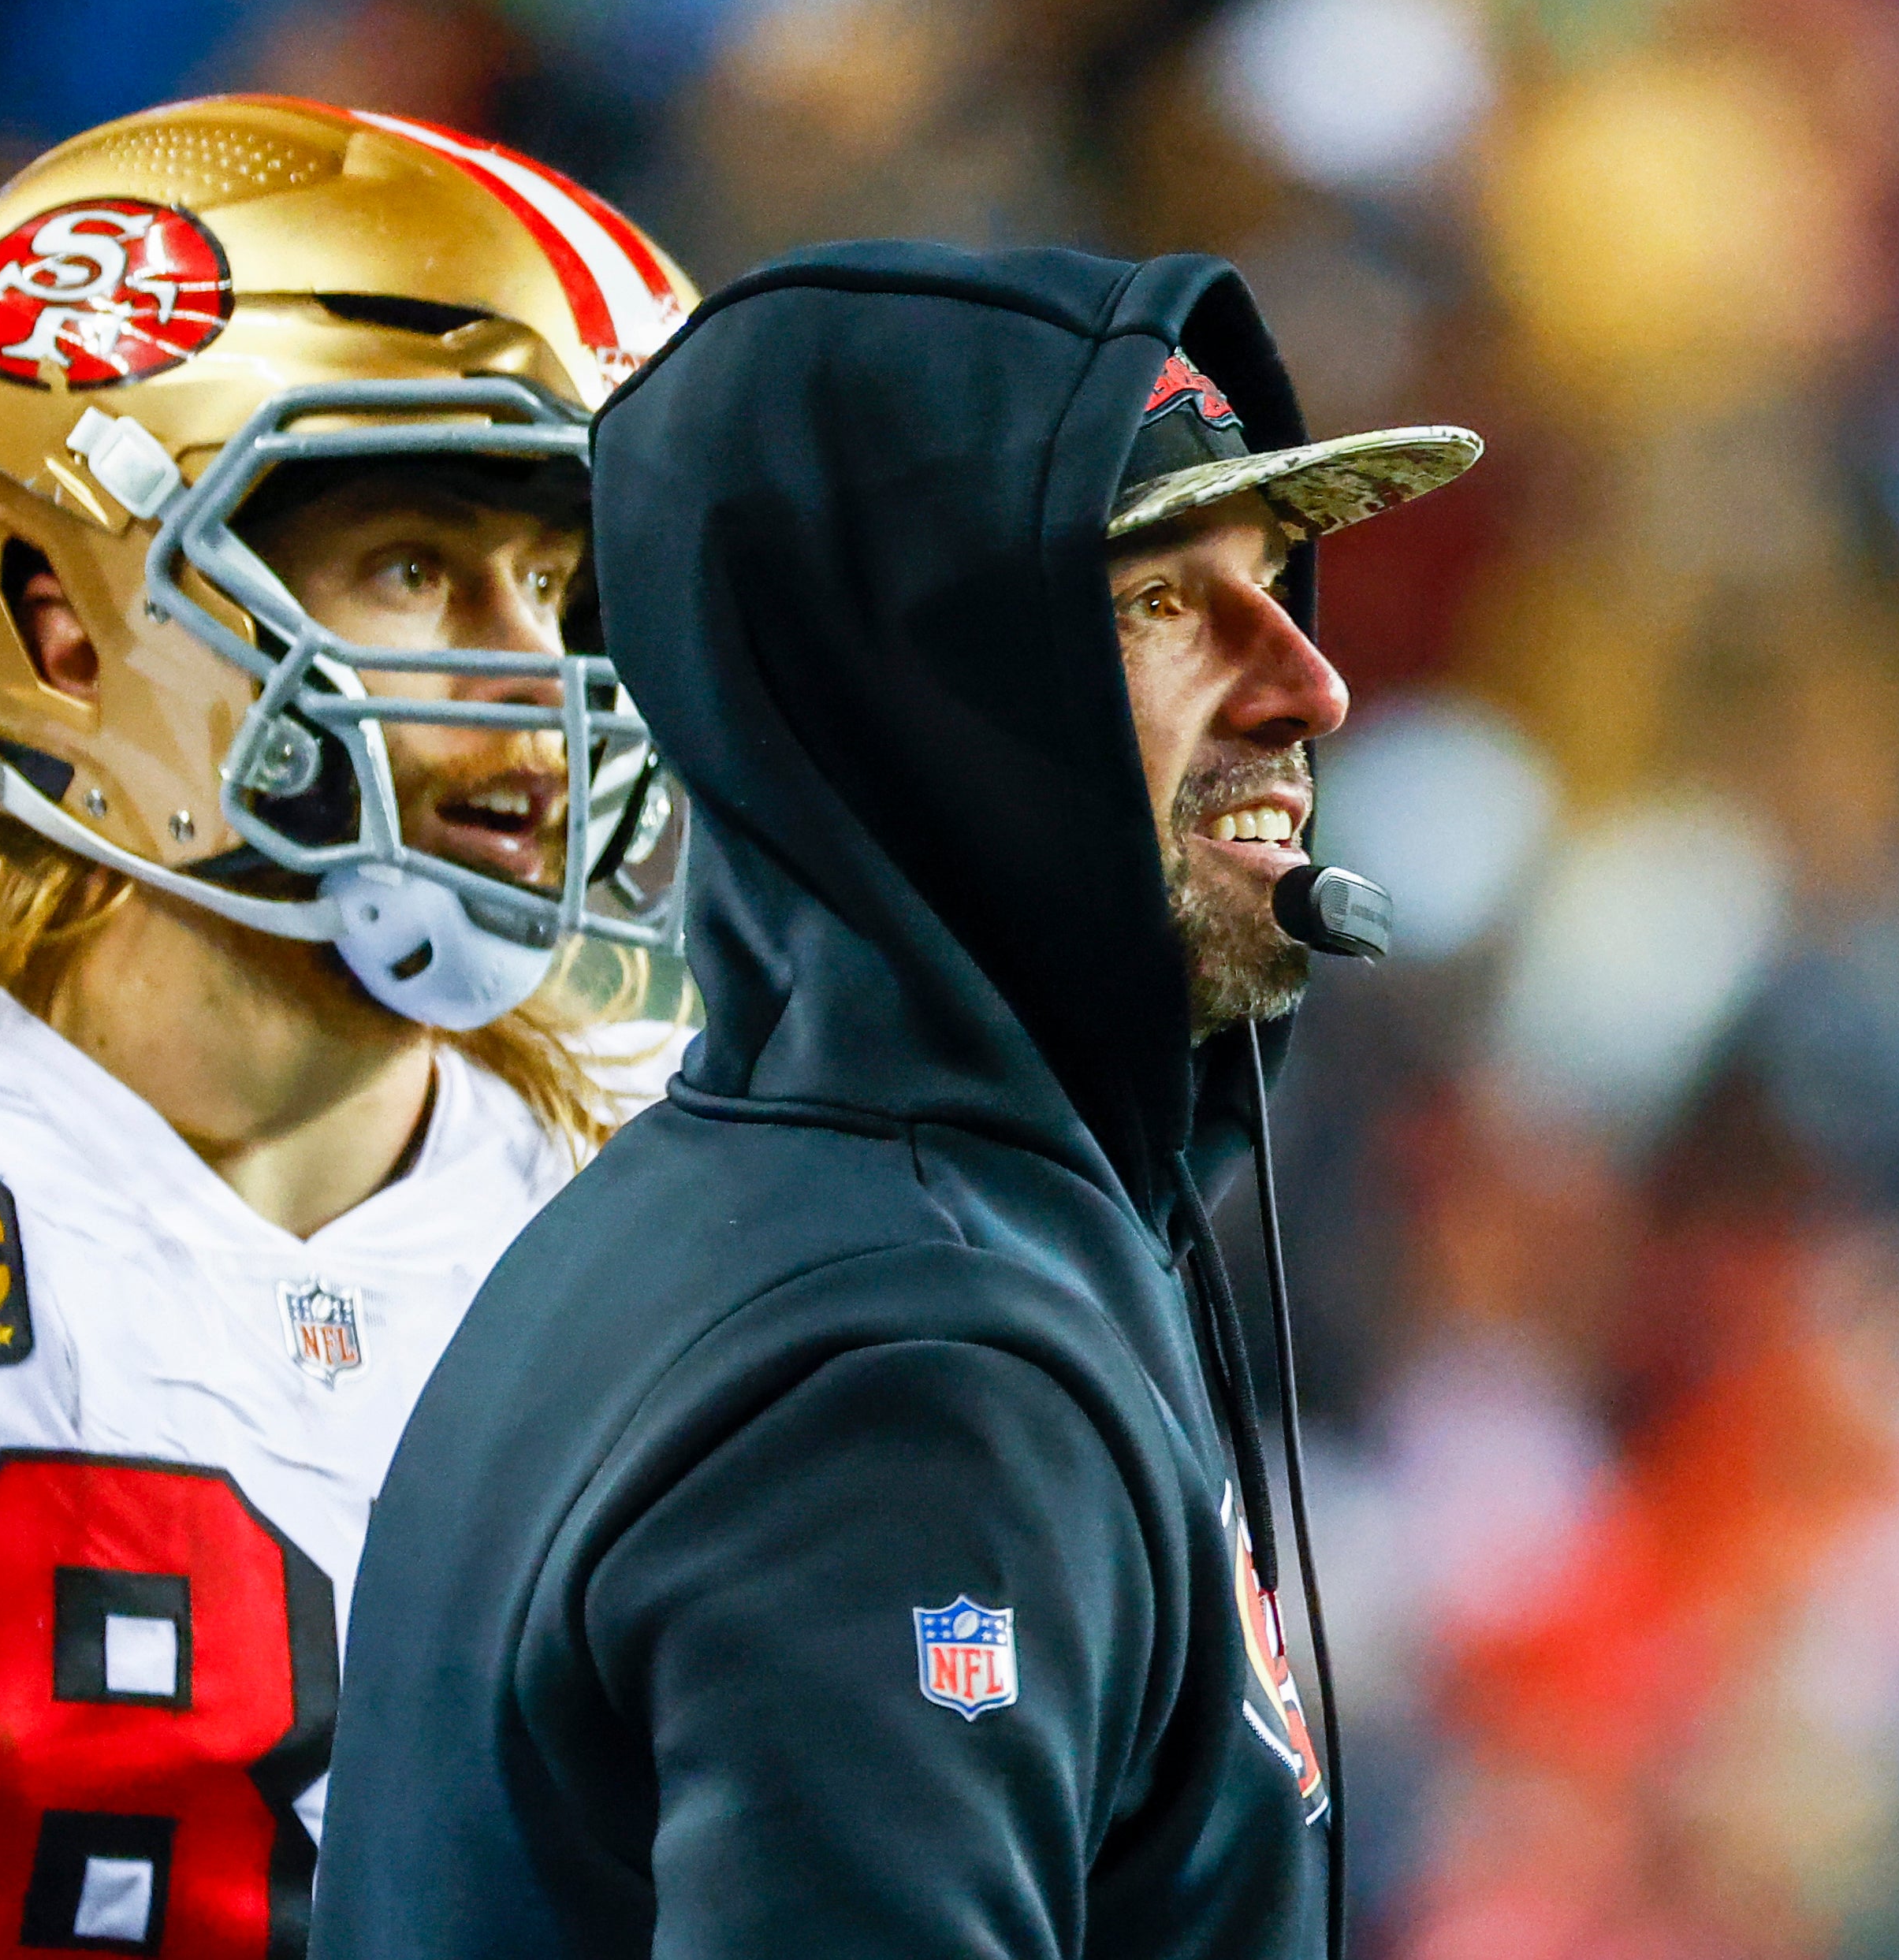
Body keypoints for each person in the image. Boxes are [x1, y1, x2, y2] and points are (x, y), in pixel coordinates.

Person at [308, 243, 1481, 1958]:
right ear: (929, 705)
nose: (1308, 682)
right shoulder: (919, 1377)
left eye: (1274, 576)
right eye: (1160, 599)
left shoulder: (779, 1224)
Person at [0, 97, 695, 1960]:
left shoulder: (656, 1195)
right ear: (68, 629)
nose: (531, 692)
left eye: (567, 589)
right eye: (418, 567)